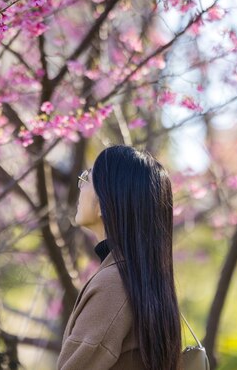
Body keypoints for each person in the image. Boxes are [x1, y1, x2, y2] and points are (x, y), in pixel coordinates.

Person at [57, 145, 182, 370]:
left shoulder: (114, 284)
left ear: (106, 201)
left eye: (87, 177)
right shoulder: (142, 279)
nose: (80, 185)